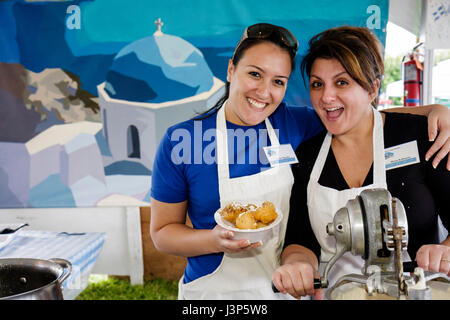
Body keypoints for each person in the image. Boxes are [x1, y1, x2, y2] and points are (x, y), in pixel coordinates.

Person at [150, 23, 450, 300]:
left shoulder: (294, 125)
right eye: (254, 74)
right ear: (231, 69)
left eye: (278, 81)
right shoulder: (182, 141)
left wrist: (437, 111)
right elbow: (162, 234)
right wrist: (216, 240)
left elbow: (358, 114)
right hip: (216, 292)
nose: (264, 91)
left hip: (288, 292)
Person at [273, 25, 450, 300]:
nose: (326, 97)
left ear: (372, 88)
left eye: (342, 82)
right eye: (317, 84)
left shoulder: (421, 136)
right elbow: (300, 239)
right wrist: (297, 264)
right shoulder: (307, 154)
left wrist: (446, 250)